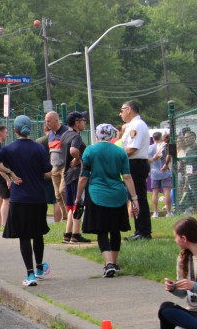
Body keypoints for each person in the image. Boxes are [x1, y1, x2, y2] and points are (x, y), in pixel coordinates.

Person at [0, 115, 52, 287]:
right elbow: (48, 172)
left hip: (20, 198)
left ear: (15, 130)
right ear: (30, 129)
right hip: (38, 197)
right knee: (38, 234)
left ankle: (30, 274)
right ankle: (39, 268)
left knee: (24, 236)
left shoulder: (10, 148)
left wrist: (9, 172)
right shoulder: (39, 148)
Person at [72, 123, 140, 278]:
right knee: (115, 230)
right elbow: (127, 176)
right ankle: (114, 263)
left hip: (97, 195)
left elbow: (83, 177)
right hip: (118, 195)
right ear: (112, 135)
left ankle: (108, 263)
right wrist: (134, 199)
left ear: (97, 135)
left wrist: (78, 198)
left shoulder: (90, 151)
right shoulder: (120, 152)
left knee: (102, 231)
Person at [159, 217, 197, 329]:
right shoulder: (183, 258)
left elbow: (192, 287)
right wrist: (173, 288)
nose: (174, 240)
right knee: (165, 308)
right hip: (193, 311)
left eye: (175, 237)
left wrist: (193, 286)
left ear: (184, 238)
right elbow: (183, 294)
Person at [120, 100, 151, 240]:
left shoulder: (137, 125)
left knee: (138, 197)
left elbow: (132, 149)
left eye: (122, 110)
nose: (120, 113)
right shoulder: (133, 125)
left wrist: (117, 155)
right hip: (134, 163)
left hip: (136, 164)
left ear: (129, 110)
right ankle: (139, 230)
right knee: (135, 198)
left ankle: (143, 231)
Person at [59, 111, 91, 244]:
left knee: (71, 205)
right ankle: (76, 234)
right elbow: (73, 150)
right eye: (83, 120)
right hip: (77, 174)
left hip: (67, 174)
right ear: (77, 122)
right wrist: (79, 158)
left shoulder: (64, 135)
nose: (85, 122)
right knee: (79, 203)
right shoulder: (76, 136)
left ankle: (68, 233)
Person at [45, 111, 68, 223]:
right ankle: (65, 217)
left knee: (63, 190)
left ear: (56, 120)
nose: (47, 123)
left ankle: (70, 214)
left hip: (64, 166)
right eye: (46, 121)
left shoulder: (66, 132)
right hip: (54, 167)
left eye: (49, 121)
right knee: (57, 195)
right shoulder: (50, 134)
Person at [149, 131, 172, 218]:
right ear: (161, 137)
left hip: (154, 172)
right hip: (164, 171)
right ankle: (169, 212)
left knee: (155, 193)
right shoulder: (164, 146)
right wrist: (166, 164)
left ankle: (155, 212)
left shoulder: (149, 148)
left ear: (153, 138)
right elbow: (168, 155)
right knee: (167, 192)